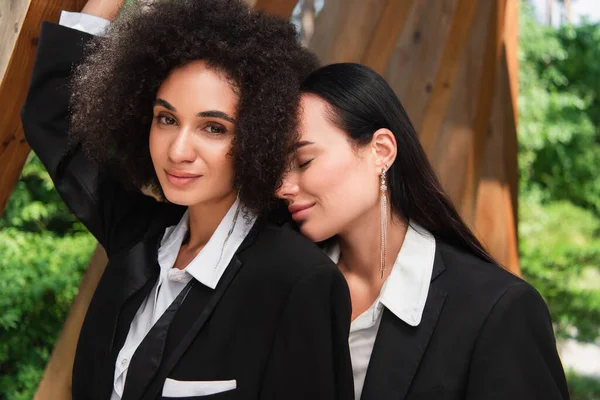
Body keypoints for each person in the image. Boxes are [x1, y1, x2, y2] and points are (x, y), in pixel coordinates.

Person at [21, 1, 354, 399]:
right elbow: (57, 118)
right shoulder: (139, 238)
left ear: (260, 135)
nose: (178, 150)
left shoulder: (298, 280)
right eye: (167, 118)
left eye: (213, 128)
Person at [277, 62, 569, 400]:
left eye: (303, 162)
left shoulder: (498, 310)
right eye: (277, 169)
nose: (282, 187)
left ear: (380, 151)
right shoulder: (284, 288)